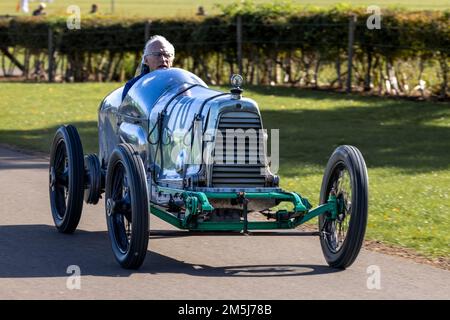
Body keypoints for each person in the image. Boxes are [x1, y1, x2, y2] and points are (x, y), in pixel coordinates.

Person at [122, 35, 175, 101]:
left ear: (172, 60)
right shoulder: (133, 86)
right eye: (157, 54)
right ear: (146, 60)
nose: (163, 59)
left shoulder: (180, 83)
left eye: (167, 55)